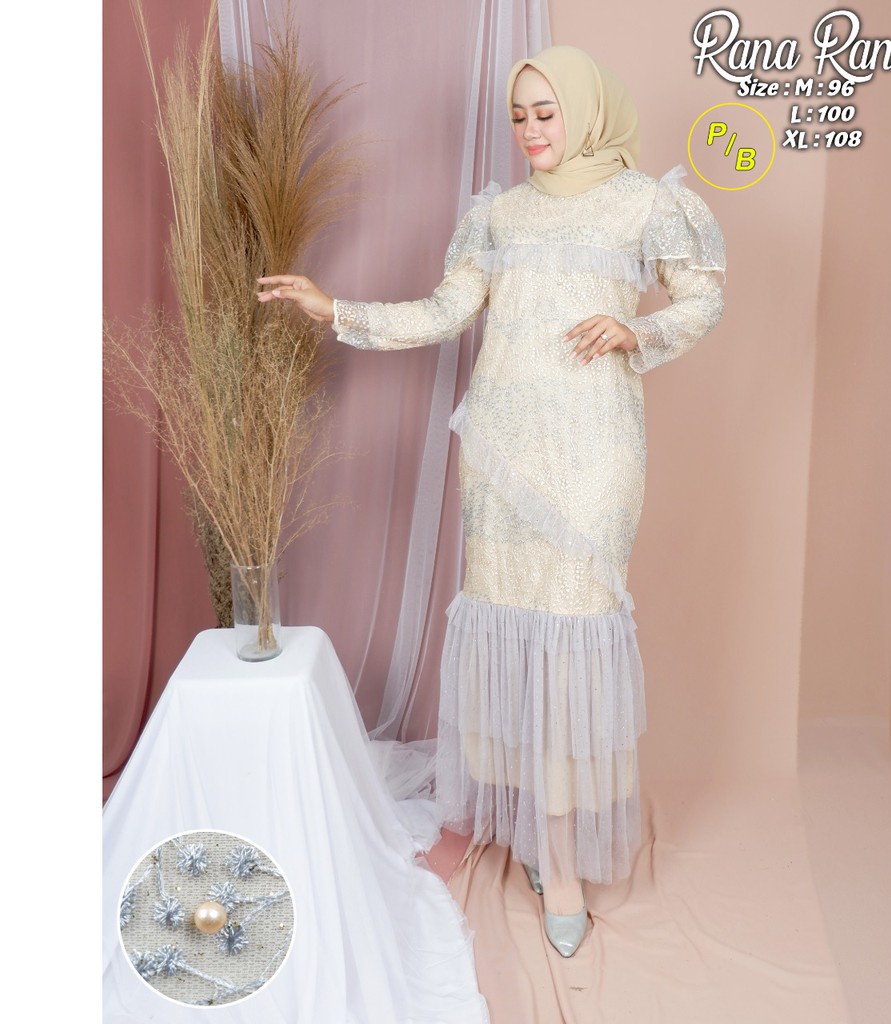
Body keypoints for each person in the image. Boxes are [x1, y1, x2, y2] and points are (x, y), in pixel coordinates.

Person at [257, 44, 725, 958]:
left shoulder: (647, 202)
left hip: (593, 453)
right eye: (519, 115)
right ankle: (536, 834)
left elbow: (701, 299)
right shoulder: (496, 214)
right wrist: (333, 308)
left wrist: (636, 327)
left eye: (546, 112)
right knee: (512, 631)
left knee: (572, 639)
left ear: (587, 110)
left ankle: (565, 857)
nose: (530, 131)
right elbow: (444, 312)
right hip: (502, 456)